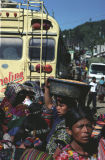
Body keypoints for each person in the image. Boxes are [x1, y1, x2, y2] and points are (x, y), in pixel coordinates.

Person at [44, 78, 77, 155]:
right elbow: (49, 104)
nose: (58, 108)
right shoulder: (58, 115)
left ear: (70, 108)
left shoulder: (72, 120)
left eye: (61, 106)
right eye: (58, 105)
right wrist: (47, 88)